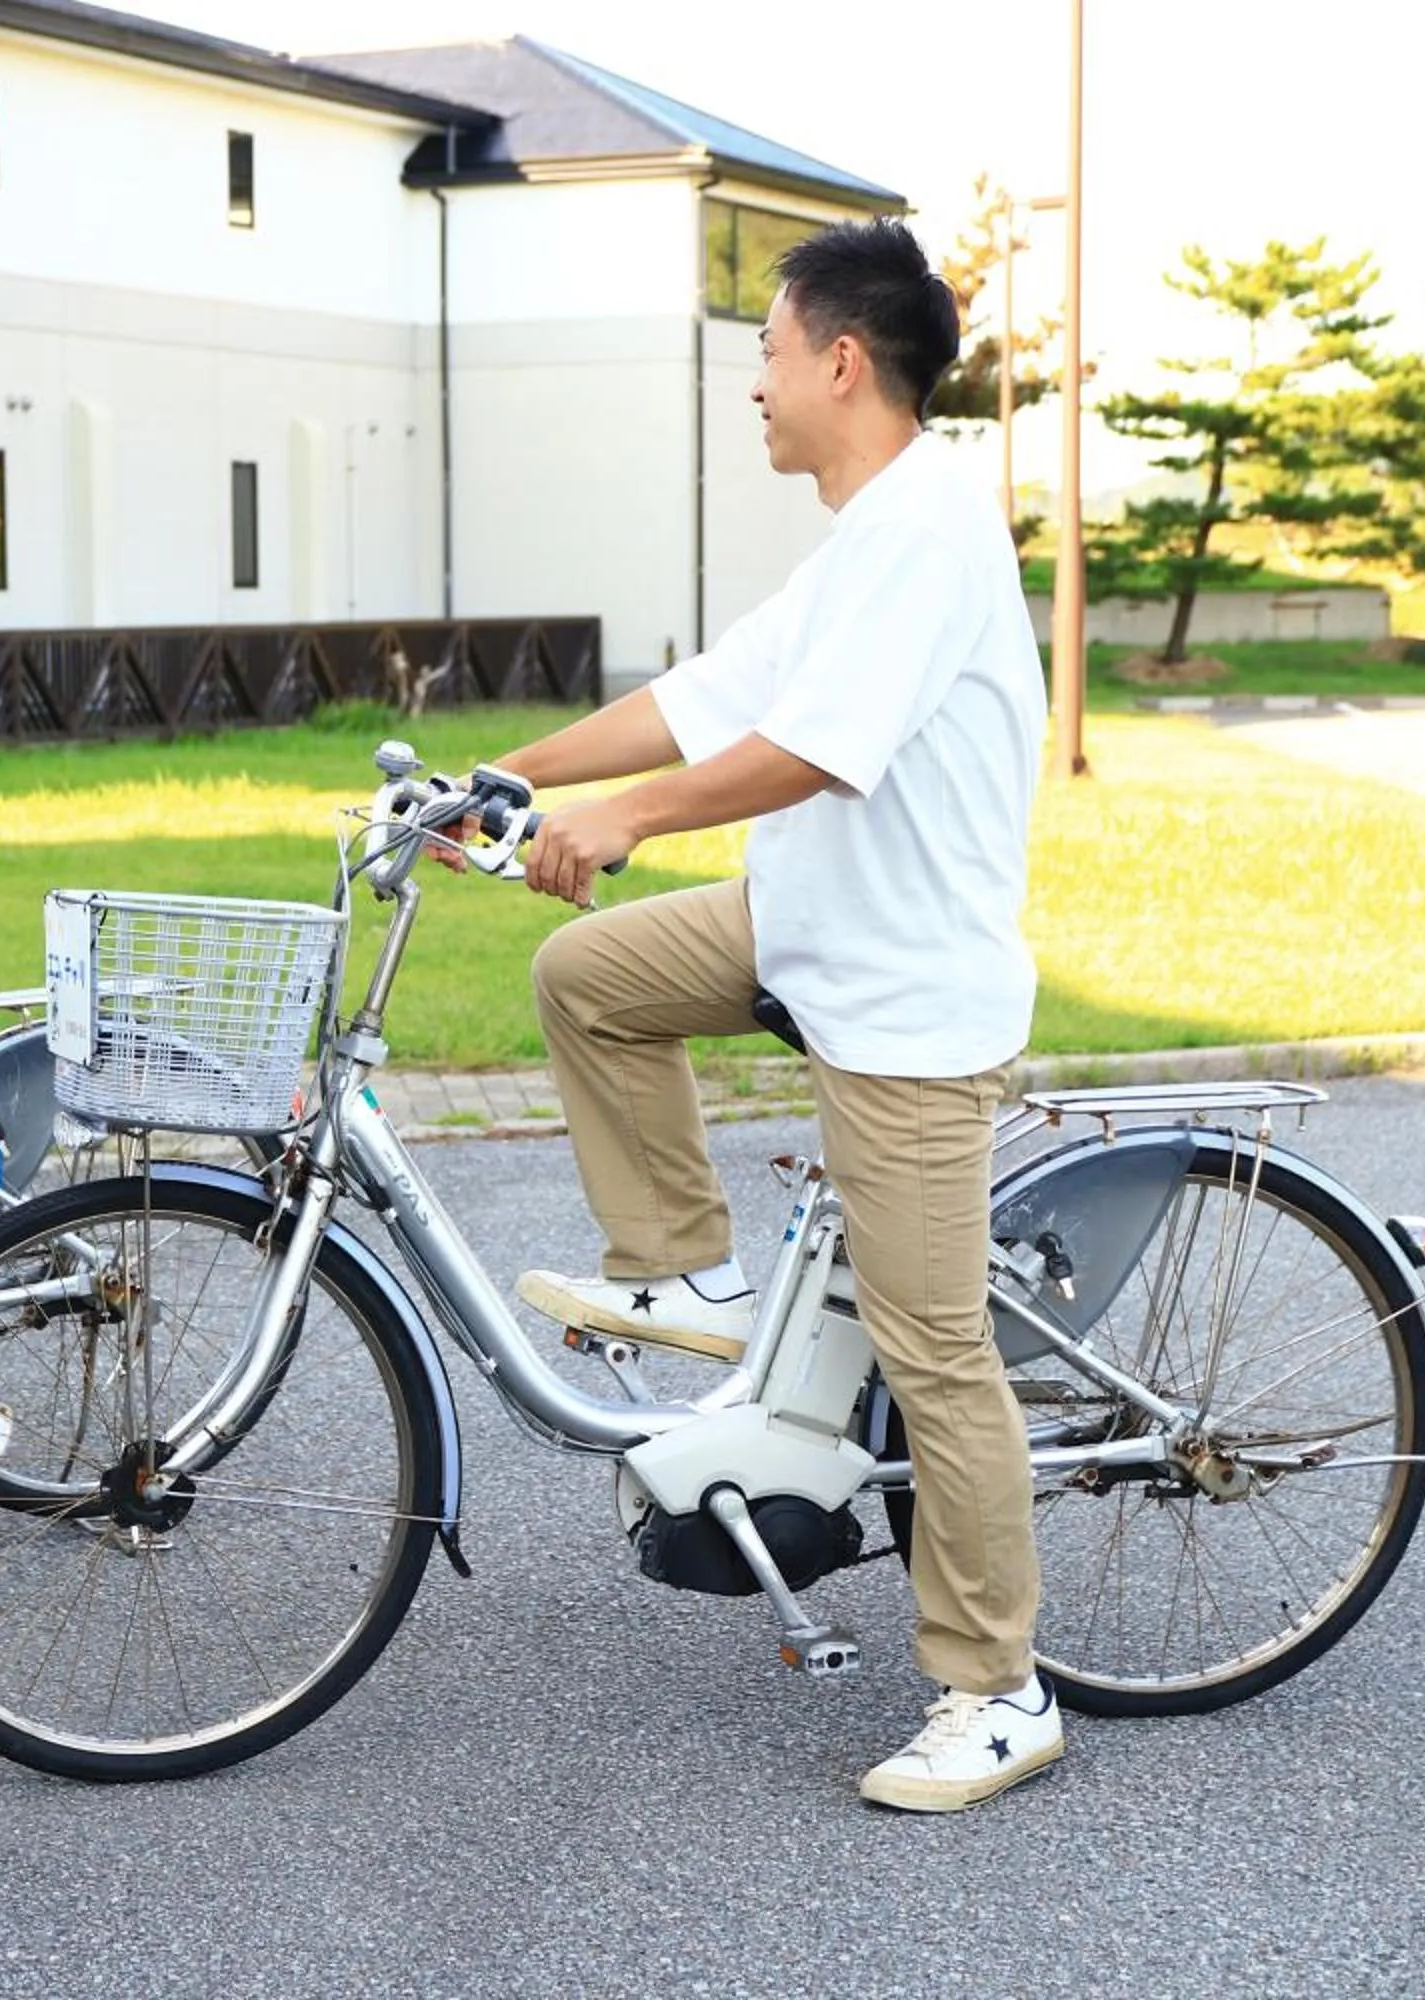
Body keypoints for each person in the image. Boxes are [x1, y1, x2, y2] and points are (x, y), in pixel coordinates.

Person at [474, 220, 1055, 1812]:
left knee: (933, 1344)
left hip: (907, 996)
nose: (757, 386)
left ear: (842, 362)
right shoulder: (867, 534)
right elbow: (715, 693)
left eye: (770, 353)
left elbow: (820, 746)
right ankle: (690, 1274)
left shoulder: (932, 525)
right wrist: (525, 776)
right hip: (809, 930)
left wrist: (635, 818)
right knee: (590, 977)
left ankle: (998, 1691)